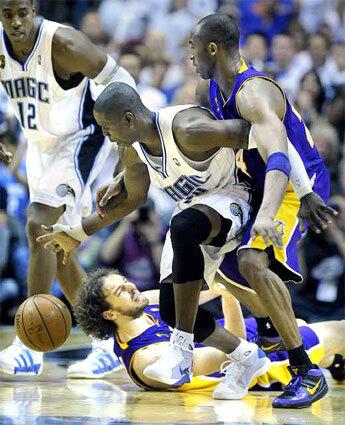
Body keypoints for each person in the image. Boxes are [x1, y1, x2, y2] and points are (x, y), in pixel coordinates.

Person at [38, 81, 275, 400]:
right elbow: (131, 200)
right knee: (172, 309)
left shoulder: (187, 129)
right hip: (194, 210)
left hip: (235, 196)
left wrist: (299, 188)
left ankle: (181, 351)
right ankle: (247, 357)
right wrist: (77, 233)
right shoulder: (132, 148)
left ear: (128, 119)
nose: (107, 136)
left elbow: (264, 131)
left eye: (108, 128)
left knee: (182, 226)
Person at [189, 13, 337, 408]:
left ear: (213, 49)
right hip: (262, 182)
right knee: (212, 256)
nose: (189, 55)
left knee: (253, 259)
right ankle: (270, 324)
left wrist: (283, 206)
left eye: (193, 47)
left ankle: (306, 372)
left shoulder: (251, 90)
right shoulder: (216, 87)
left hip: (287, 184)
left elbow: (280, 153)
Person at [0, 0, 136, 378]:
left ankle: (28, 345)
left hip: (80, 138)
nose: (15, 22)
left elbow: (123, 80)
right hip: (38, 144)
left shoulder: (63, 43)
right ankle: (107, 341)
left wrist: (126, 143)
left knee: (38, 225)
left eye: (21, 13)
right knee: (56, 248)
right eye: (6, 13)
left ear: (34, 9)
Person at [74, 268, 345, 392]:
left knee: (297, 322)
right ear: (109, 314)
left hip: (227, 335)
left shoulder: (143, 305)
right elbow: (237, 353)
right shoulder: (148, 360)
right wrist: (230, 298)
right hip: (245, 362)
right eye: (121, 290)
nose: (131, 286)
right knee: (338, 331)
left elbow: (193, 294)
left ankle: (336, 362)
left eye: (125, 281)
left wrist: (220, 282)